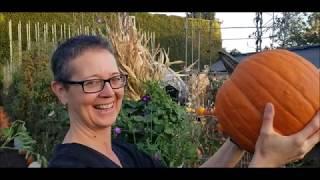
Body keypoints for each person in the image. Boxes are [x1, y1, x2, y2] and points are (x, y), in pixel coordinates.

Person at [48, 35, 320, 168]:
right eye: (92, 82)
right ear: (61, 90)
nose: (109, 92)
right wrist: (266, 162)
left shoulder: (124, 153)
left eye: (115, 79)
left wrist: (240, 136)